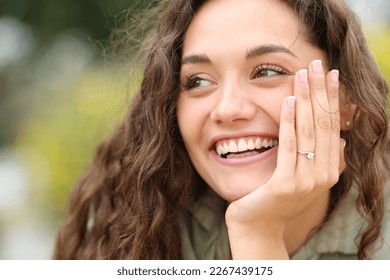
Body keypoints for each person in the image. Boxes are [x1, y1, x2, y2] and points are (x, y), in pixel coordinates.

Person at [53, 0, 390, 260]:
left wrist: (258, 234)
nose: (228, 109)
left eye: (268, 72)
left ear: (346, 102)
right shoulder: (133, 226)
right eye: (198, 80)